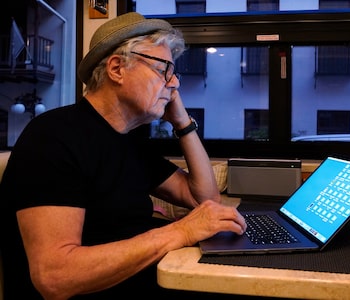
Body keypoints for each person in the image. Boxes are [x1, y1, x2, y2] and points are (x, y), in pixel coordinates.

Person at [0, 12, 247, 299]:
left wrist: (183, 123)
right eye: (163, 69)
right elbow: (55, 276)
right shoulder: (53, 136)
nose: (175, 84)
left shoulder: (130, 141)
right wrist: (181, 231)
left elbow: (204, 199)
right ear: (117, 68)